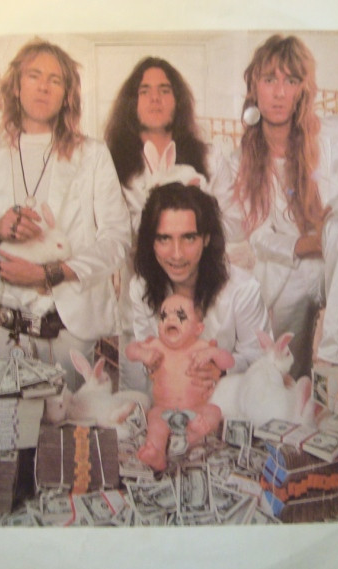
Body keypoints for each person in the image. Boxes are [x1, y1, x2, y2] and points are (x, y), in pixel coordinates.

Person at [0, 39, 130, 391]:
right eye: (34, 76)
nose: (43, 87)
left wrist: (48, 273)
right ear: (16, 87)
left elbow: (117, 240)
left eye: (55, 79)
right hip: (2, 335)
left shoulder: (93, 155)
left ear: (67, 94)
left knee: (77, 423)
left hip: (72, 335)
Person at [231, 34, 338, 379]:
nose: (279, 92)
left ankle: (334, 364)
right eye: (269, 79)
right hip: (290, 269)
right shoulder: (243, 158)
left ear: (303, 88)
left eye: (291, 80)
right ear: (254, 87)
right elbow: (259, 237)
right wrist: (311, 244)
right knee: (285, 374)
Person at [104, 56, 239, 390]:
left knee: (193, 385)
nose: (155, 99)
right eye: (145, 91)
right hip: (139, 294)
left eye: (165, 90)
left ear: (178, 100)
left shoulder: (208, 157)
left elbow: (232, 222)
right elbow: (110, 228)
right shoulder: (111, 164)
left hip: (197, 297)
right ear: (131, 102)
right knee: (141, 390)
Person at [130, 183, 271, 395]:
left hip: (231, 401)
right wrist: (151, 362)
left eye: (188, 238)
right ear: (151, 242)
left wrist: (221, 370)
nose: (177, 254)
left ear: (206, 239)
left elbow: (261, 357)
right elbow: (144, 353)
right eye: (164, 238)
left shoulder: (243, 289)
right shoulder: (140, 288)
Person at [126, 293, 235, 471]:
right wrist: (142, 354)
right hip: (164, 408)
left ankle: (191, 436)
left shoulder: (202, 347)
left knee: (213, 411)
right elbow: (130, 351)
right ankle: (157, 452)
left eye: (180, 316)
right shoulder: (157, 346)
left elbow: (229, 362)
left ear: (198, 329)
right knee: (155, 420)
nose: (170, 319)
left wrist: (214, 354)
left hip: (195, 410)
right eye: (164, 316)